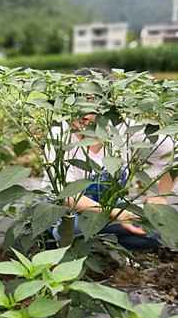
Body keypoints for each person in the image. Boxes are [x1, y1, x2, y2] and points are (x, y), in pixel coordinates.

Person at [48, 68, 175, 250]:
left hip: (114, 207)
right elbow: (66, 196)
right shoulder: (59, 134)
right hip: (71, 213)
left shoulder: (125, 130)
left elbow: (172, 153)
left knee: (164, 225)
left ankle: (106, 242)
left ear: (108, 105)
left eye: (92, 103)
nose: (85, 114)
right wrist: (116, 215)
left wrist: (159, 197)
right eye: (78, 102)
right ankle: (110, 240)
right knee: (70, 230)